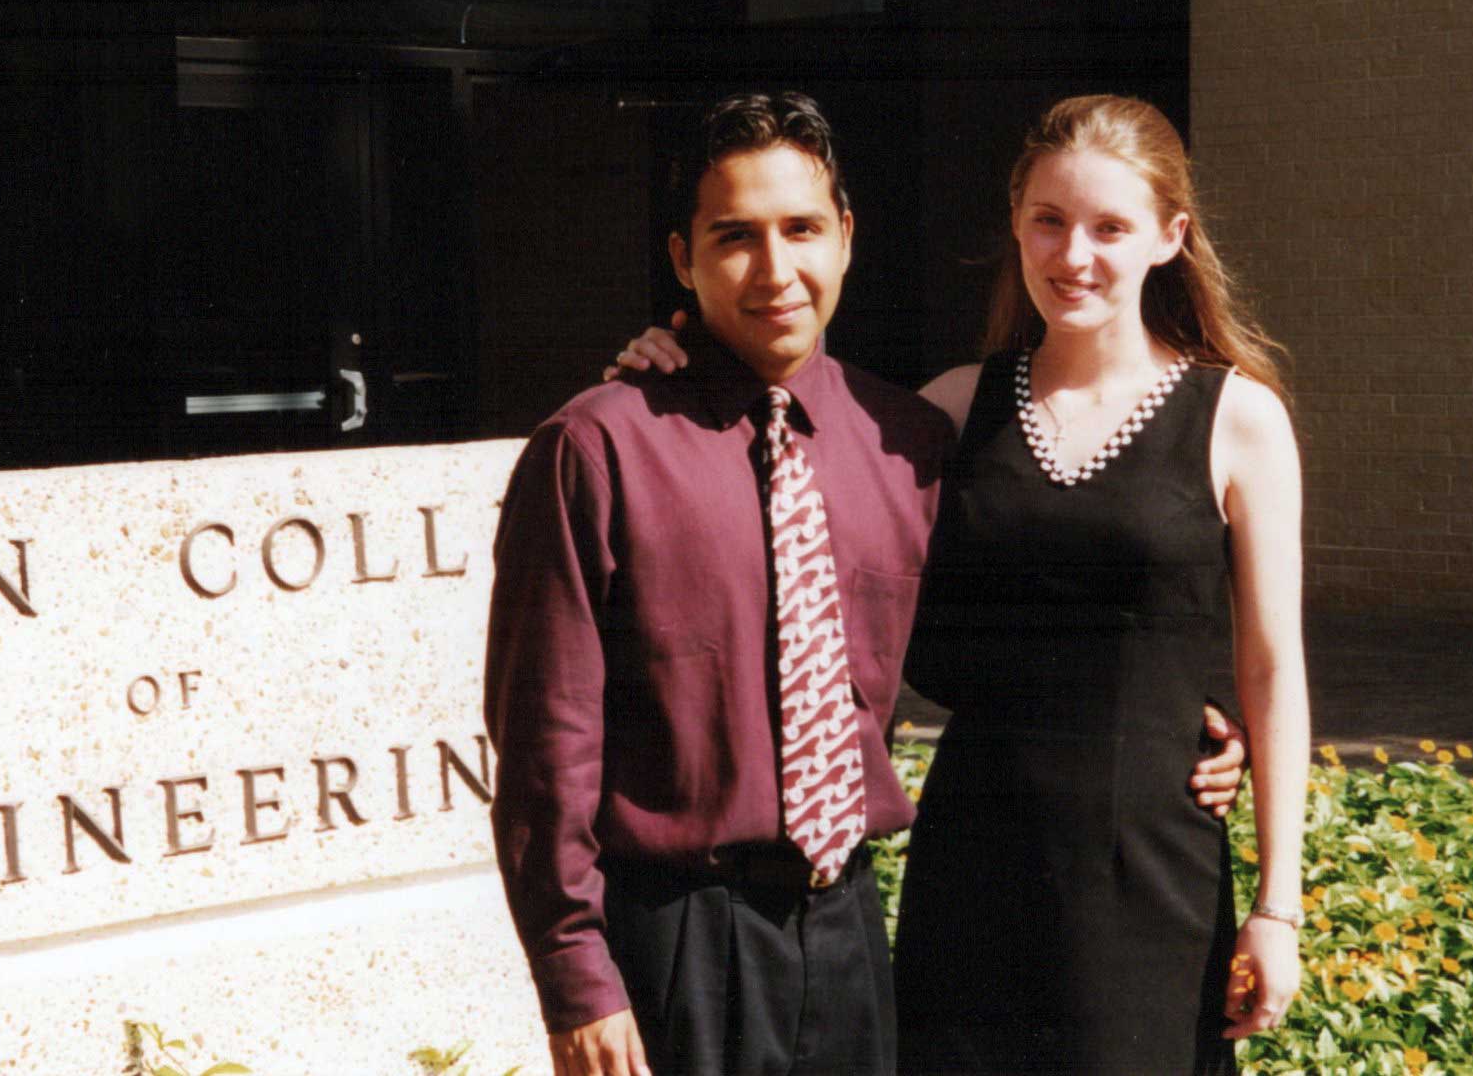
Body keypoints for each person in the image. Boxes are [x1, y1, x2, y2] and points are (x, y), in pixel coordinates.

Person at [493, 91, 1246, 1076]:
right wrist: (575, 975)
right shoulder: (598, 448)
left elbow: (1056, 590)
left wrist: (1191, 714)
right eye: (735, 238)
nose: (776, 270)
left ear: (845, 237)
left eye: (802, 229)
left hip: (850, 934)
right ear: (683, 260)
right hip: (676, 943)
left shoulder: (906, 443)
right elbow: (547, 745)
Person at [892, 94, 1309, 1074]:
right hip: (972, 874)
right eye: (1050, 220)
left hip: (1150, 880)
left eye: (1109, 227)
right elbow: (782, 456)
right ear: (1016, 225)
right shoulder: (949, 411)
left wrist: (1277, 907)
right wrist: (672, 367)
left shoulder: (1238, 422)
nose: (1072, 254)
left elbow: (1272, 666)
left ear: (1171, 236)